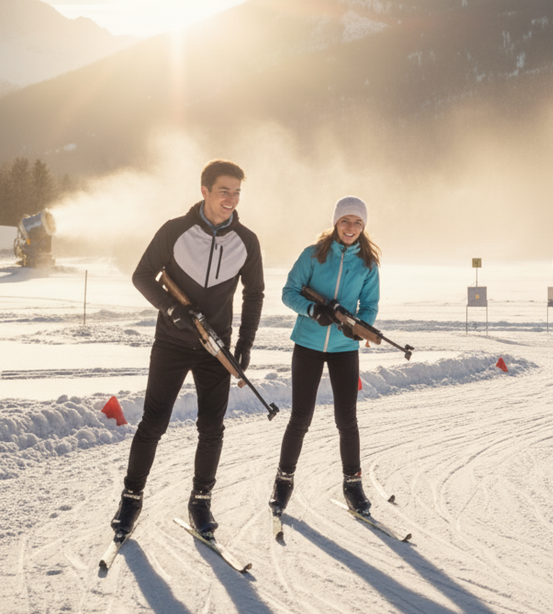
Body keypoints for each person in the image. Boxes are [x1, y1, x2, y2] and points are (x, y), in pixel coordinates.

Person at [110, 159, 265, 536]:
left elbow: (255, 293)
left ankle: (201, 502)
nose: (231, 199)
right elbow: (142, 275)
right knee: (154, 422)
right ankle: (131, 498)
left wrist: (243, 345)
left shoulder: (246, 241)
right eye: (224, 190)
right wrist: (172, 309)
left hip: (217, 349)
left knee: (212, 428)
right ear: (205, 191)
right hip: (172, 343)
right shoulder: (175, 231)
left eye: (237, 192)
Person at [271, 196, 380, 517]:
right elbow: (289, 291)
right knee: (300, 418)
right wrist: (312, 310)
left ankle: (353, 484)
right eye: (346, 221)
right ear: (335, 222)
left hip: (344, 349)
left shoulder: (368, 264)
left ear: (363, 227)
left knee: (347, 420)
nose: (351, 227)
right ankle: (283, 481)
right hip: (307, 344)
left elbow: (370, 305)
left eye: (358, 222)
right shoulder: (312, 255)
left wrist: (359, 328)